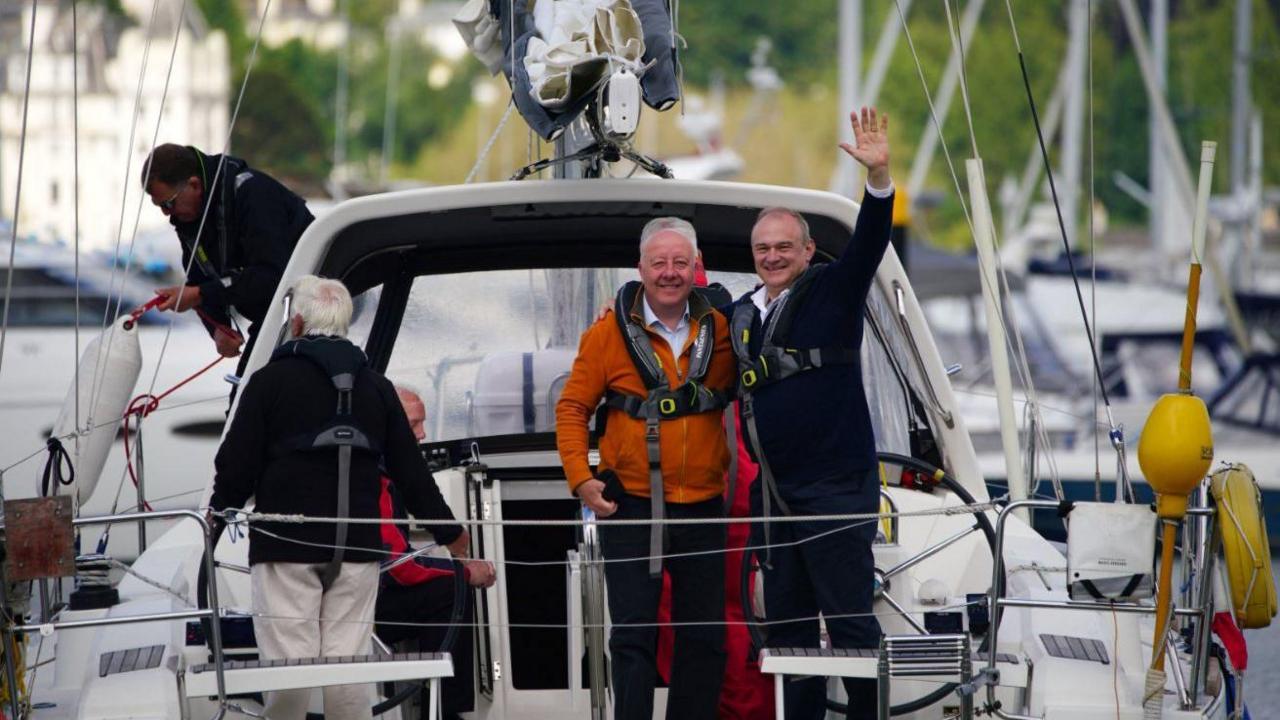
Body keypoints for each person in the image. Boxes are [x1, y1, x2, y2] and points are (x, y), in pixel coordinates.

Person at [209, 275, 468, 720]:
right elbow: (412, 473)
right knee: (348, 673)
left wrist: (217, 514)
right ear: (345, 324)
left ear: (296, 324)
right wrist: (450, 534)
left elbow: (236, 465)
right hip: (357, 550)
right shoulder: (377, 388)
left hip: (287, 548)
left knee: (289, 669)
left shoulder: (269, 383)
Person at [728, 106, 895, 720]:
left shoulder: (833, 288)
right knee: (788, 632)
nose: (771, 257)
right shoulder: (744, 312)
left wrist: (878, 181)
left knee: (850, 623)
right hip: (775, 496)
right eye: (762, 249)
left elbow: (872, 242)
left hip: (834, 487)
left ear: (808, 251)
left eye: (783, 248)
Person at [556, 218, 735, 720]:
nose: (670, 273)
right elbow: (572, 408)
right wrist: (581, 479)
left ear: (695, 268)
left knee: (705, 637)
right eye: (659, 263)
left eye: (681, 262)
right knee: (633, 636)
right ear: (640, 268)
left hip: (702, 505)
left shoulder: (722, 329)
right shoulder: (605, 334)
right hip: (631, 505)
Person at [141, 143, 314, 377]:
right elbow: (199, 279)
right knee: (245, 399)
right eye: (159, 206)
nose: (166, 213)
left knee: (250, 401)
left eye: (168, 203)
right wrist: (218, 329)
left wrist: (199, 294)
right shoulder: (189, 219)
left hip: (308, 320)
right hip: (273, 322)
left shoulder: (251, 192)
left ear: (194, 184)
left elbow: (270, 276)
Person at [375, 387, 496, 720]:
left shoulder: (381, 468)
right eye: (415, 424)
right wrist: (465, 572)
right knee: (450, 590)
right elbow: (397, 567)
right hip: (361, 608)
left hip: (361, 595)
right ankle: (447, 711)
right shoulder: (376, 476)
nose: (423, 433)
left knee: (445, 585)